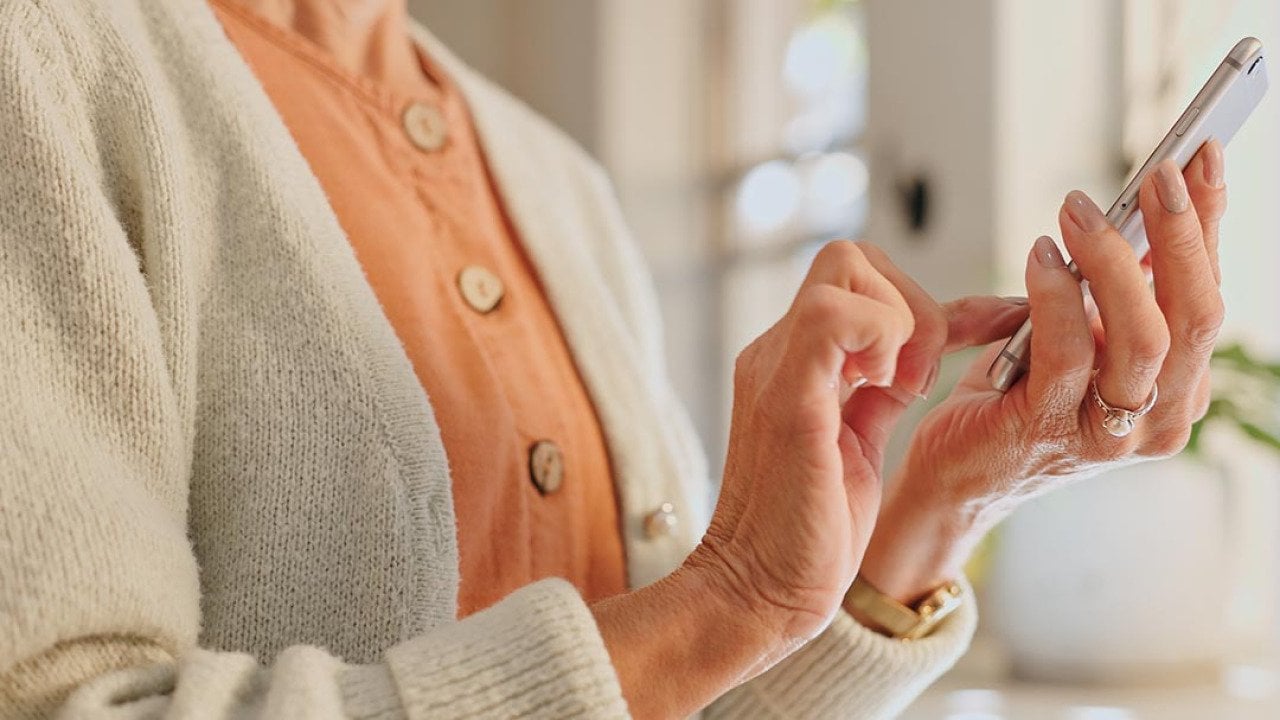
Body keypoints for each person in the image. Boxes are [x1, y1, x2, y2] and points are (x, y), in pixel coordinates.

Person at [0, 0, 1227, 718]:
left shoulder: (555, 178)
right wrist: (722, 597)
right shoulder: (47, 65)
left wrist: (935, 507)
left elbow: (657, 693)